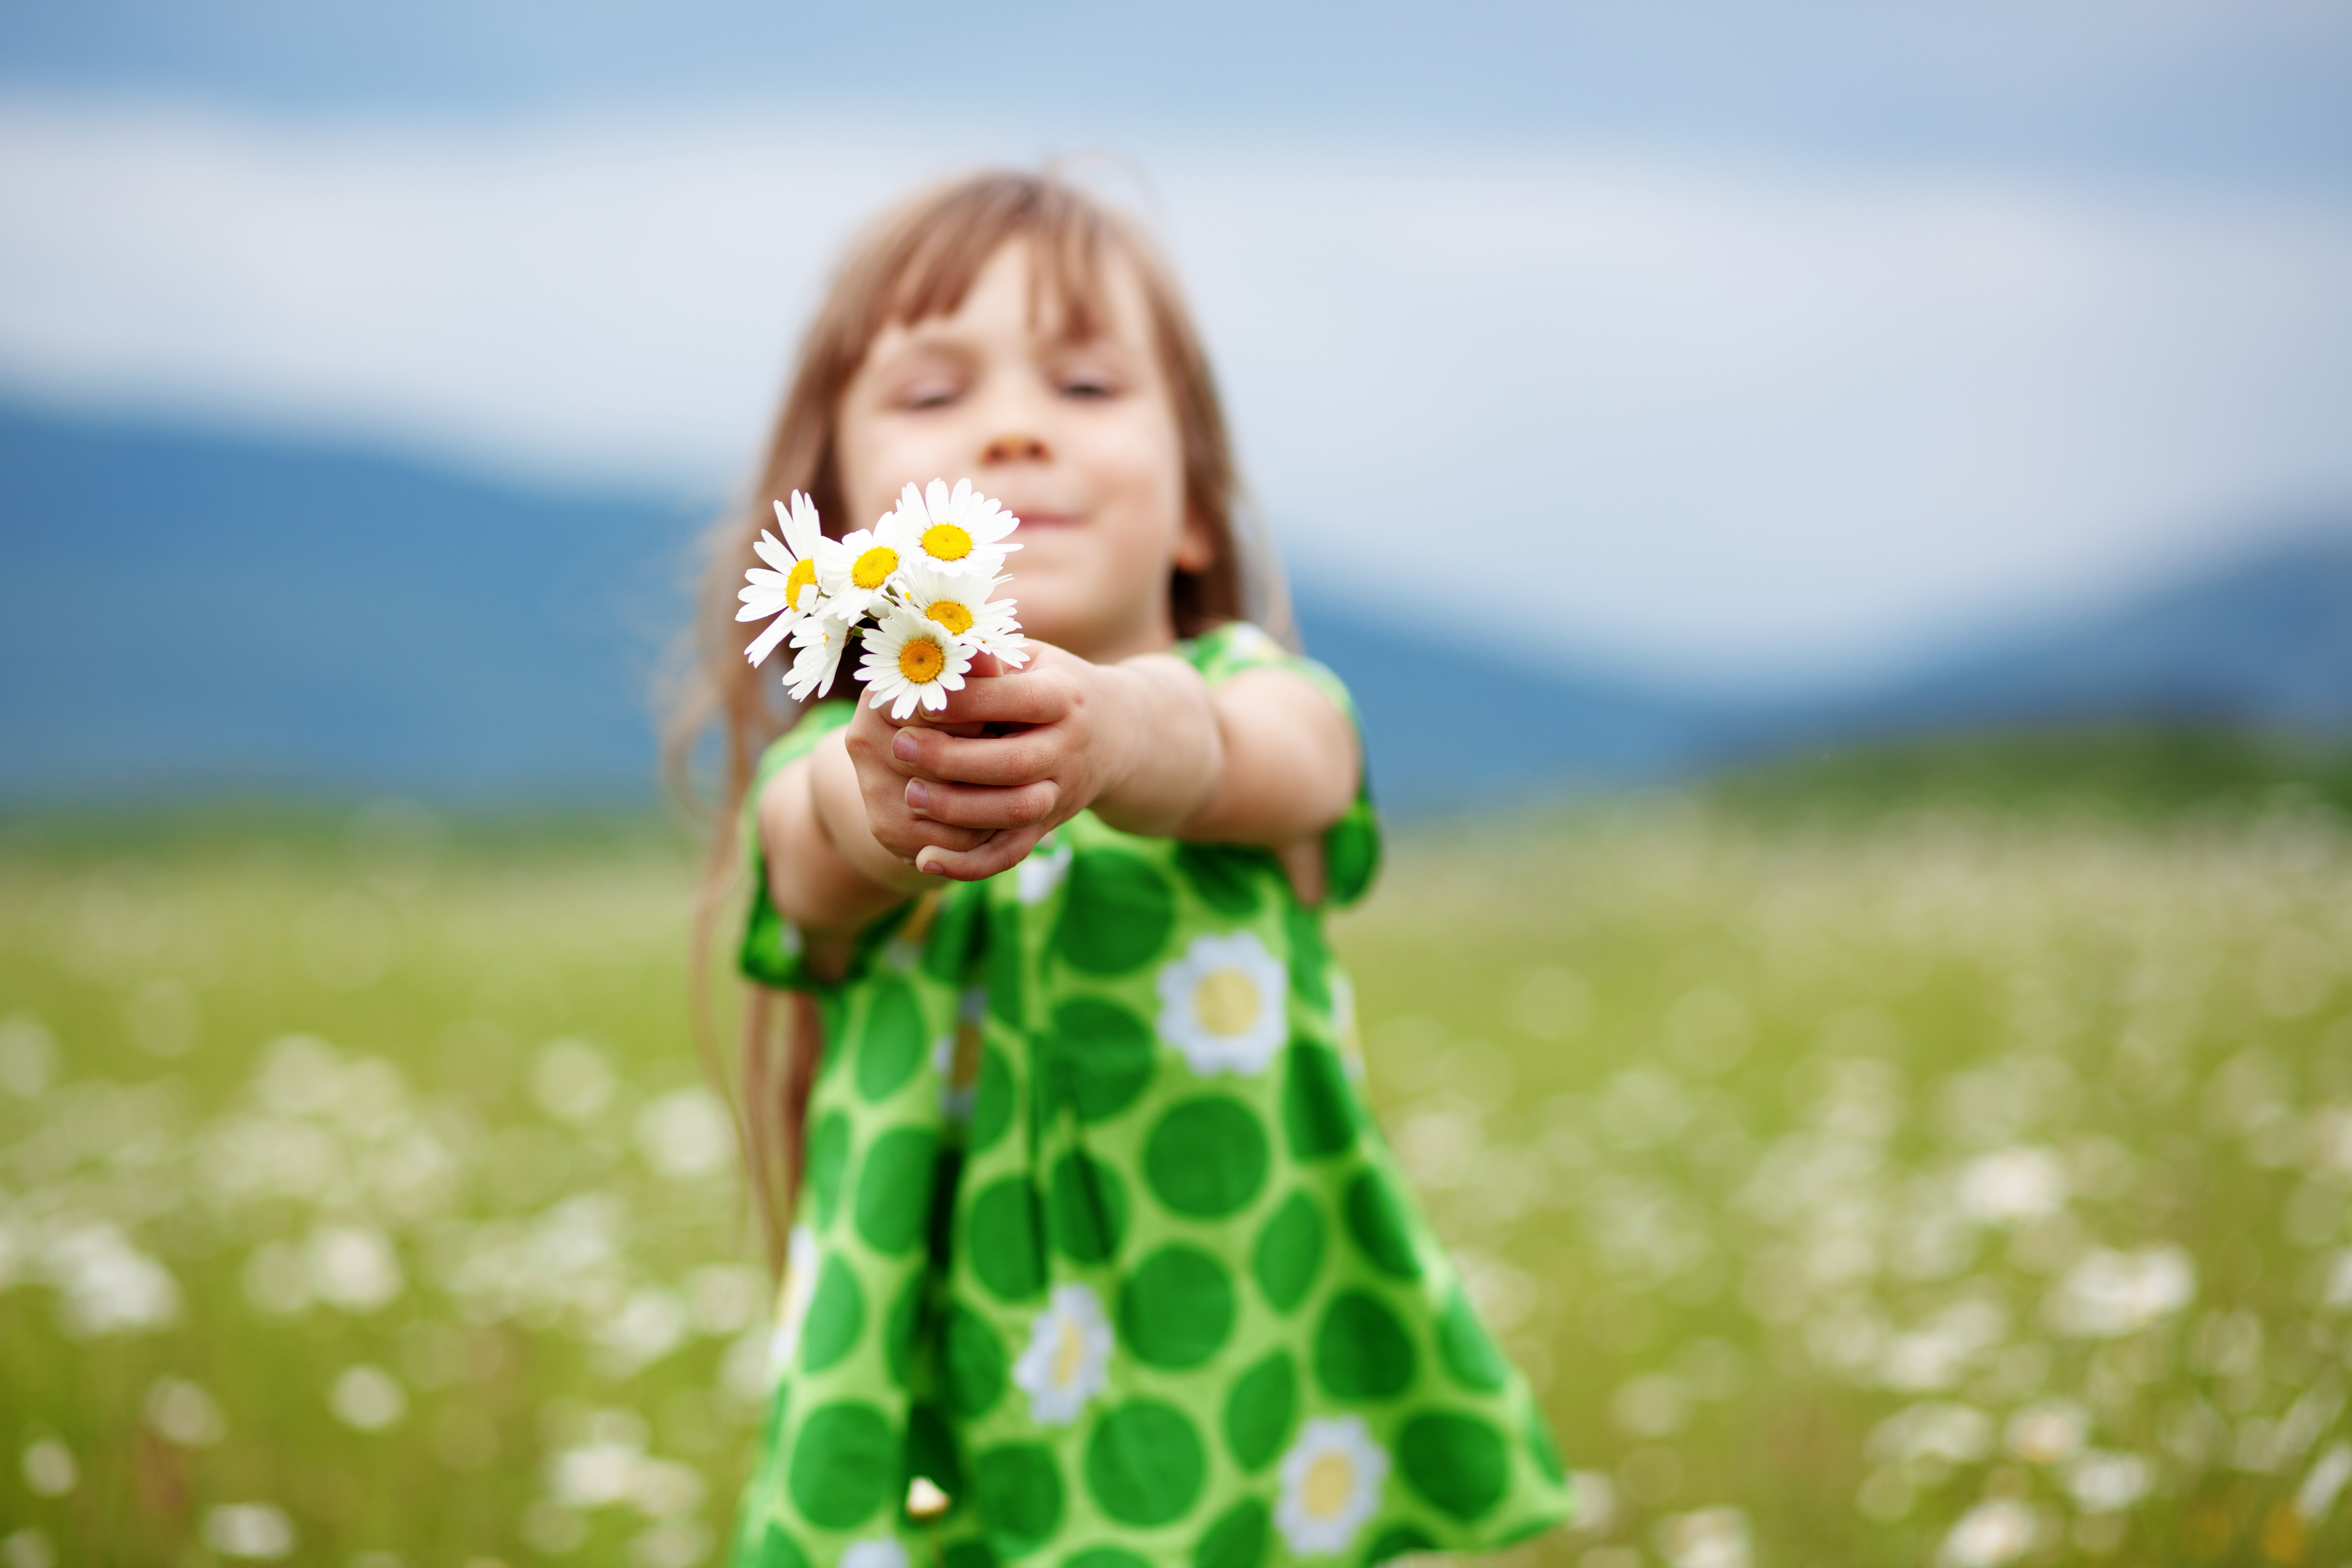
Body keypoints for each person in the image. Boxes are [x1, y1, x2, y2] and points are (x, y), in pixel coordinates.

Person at [683, 171, 1573, 1568]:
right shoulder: (831, 767)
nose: (1014, 426)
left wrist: (1120, 729)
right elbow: (817, 858)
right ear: (844, 528)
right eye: (932, 397)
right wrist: (898, 788)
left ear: (1196, 516)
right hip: (939, 1416)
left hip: (1236, 1389)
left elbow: (1267, 761)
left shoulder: (1260, 702)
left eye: (1087, 384)